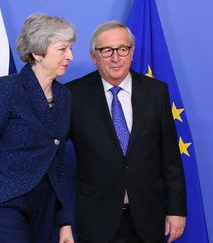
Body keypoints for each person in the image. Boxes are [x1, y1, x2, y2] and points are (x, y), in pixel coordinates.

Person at [66, 21, 187, 243]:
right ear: (94, 56)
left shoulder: (156, 92)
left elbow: (170, 158)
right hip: (96, 219)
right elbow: (53, 156)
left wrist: (177, 210)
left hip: (149, 217)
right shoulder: (73, 95)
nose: (116, 57)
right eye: (107, 50)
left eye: (122, 49)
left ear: (131, 53)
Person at [0, 14, 75, 243]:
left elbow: (57, 163)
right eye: (62, 49)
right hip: (4, 204)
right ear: (37, 53)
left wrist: (64, 222)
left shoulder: (64, 96)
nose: (70, 56)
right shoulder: (6, 89)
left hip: (45, 208)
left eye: (70, 49)